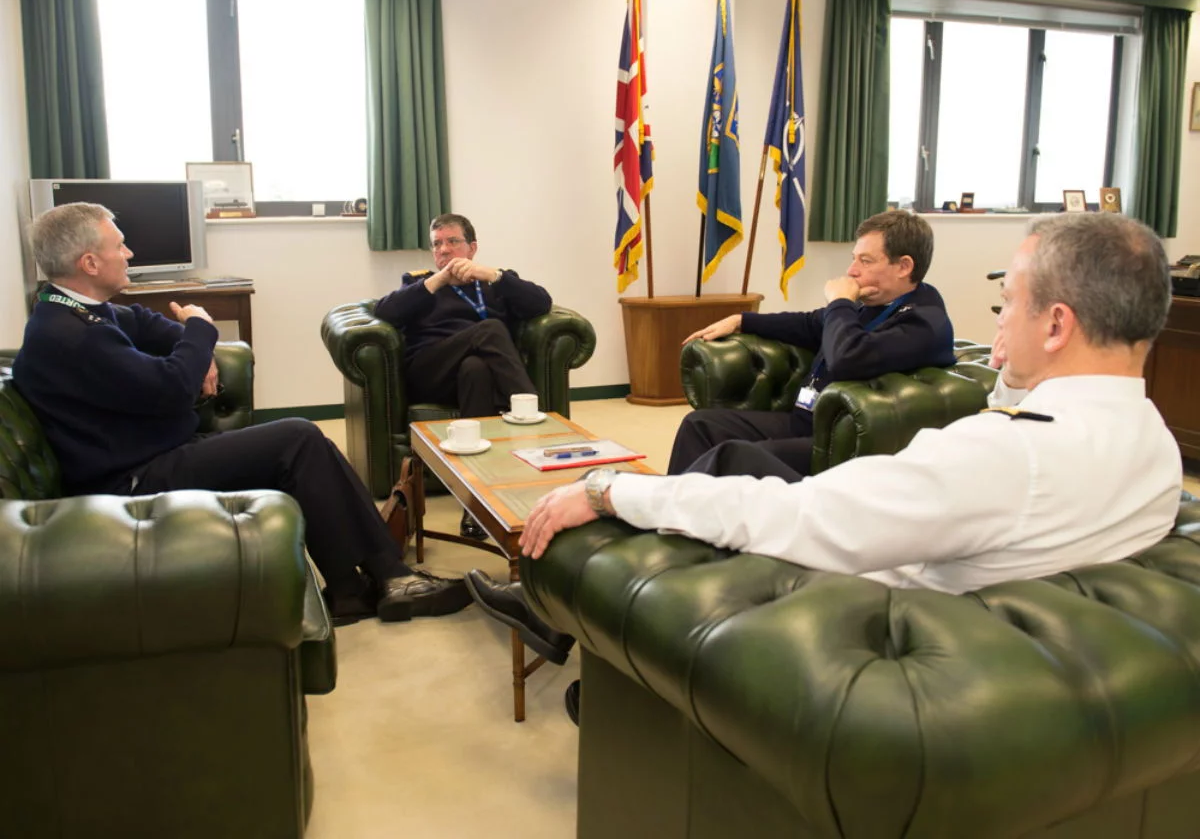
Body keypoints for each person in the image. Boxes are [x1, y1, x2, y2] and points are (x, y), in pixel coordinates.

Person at [476, 213, 1182, 721]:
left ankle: (590, 638)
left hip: (857, 620)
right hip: (967, 597)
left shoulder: (1005, 457)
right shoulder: (1155, 447)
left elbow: (803, 518)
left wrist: (609, 491)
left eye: (1008, 306)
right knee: (724, 456)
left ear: (1056, 324)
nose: (996, 323)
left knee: (717, 493)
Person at [13, 203, 471, 627]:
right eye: (119, 245)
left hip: (152, 453)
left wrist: (199, 352)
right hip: (132, 479)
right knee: (298, 437)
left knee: (304, 448)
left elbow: (147, 324)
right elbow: (173, 387)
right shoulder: (75, 334)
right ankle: (391, 577)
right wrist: (200, 326)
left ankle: (354, 590)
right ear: (90, 263)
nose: (129, 253)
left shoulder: (79, 311)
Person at [668, 210, 955, 476]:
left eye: (865, 261)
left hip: (840, 446)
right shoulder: (872, 301)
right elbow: (810, 323)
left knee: (738, 456)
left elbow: (848, 359)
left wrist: (841, 301)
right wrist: (742, 320)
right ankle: (670, 507)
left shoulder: (924, 323)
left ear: (904, 266)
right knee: (700, 425)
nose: (852, 270)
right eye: (854, 258)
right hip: (805, 422)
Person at [375, 213, 552, 539]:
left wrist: (494, 275)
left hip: (473, 379)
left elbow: (542, 303)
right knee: (490, 329)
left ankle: (475, 505)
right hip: (431, 371)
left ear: (472, 248)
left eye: (453, 242)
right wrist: (436, 282)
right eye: (437, 244)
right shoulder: (420, 283)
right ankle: (533, 419)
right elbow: (384, 311)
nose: (444, 250)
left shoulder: (495, 282)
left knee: (476, 369)